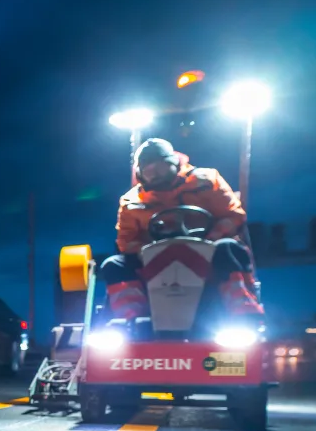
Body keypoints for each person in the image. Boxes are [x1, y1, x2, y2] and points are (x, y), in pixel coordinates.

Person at [102, 137, 264, 321]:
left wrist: (211, 239)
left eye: (160, 167)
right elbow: (126, 240)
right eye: (148, 170)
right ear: (140, 172)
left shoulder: (206, 181)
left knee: (228, 248)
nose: (155, 174)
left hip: (207, 254)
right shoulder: (131, 201)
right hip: (155, 260)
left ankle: (240, 307)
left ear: (173, 163)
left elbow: (233, 215)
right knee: (115, 264)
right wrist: (145, 251)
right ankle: (132, 318)